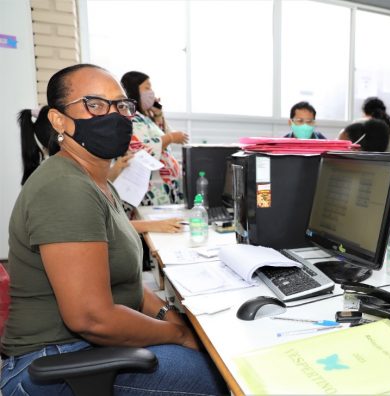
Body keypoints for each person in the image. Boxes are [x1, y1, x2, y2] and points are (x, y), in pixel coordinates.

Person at [2, 64, 227, 395]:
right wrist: (178, 335)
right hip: (54, 365)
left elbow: (127, 284)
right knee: (222, 376)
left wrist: (168, 314)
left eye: (122, 106)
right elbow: (91, 318)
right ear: (59, 120)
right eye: (95, 105)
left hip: (81, 351)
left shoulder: (98, 182)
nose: (116, 116)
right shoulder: (65, 186)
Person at [17, 106, 183, 234]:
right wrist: (154, 225)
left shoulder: (61, 169)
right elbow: (101, 227)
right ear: (60, 127)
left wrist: (115, 170)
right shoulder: (60, 180)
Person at [121, 71, 188, 206]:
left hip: (163, 186)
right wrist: (171, 138)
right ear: (134, 90)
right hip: (150, 189)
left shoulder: (144, 118)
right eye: (147, 87)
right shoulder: (129, 118)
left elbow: (158, 136)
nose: (151, 92)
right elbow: (138, 150)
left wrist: (158, 115)